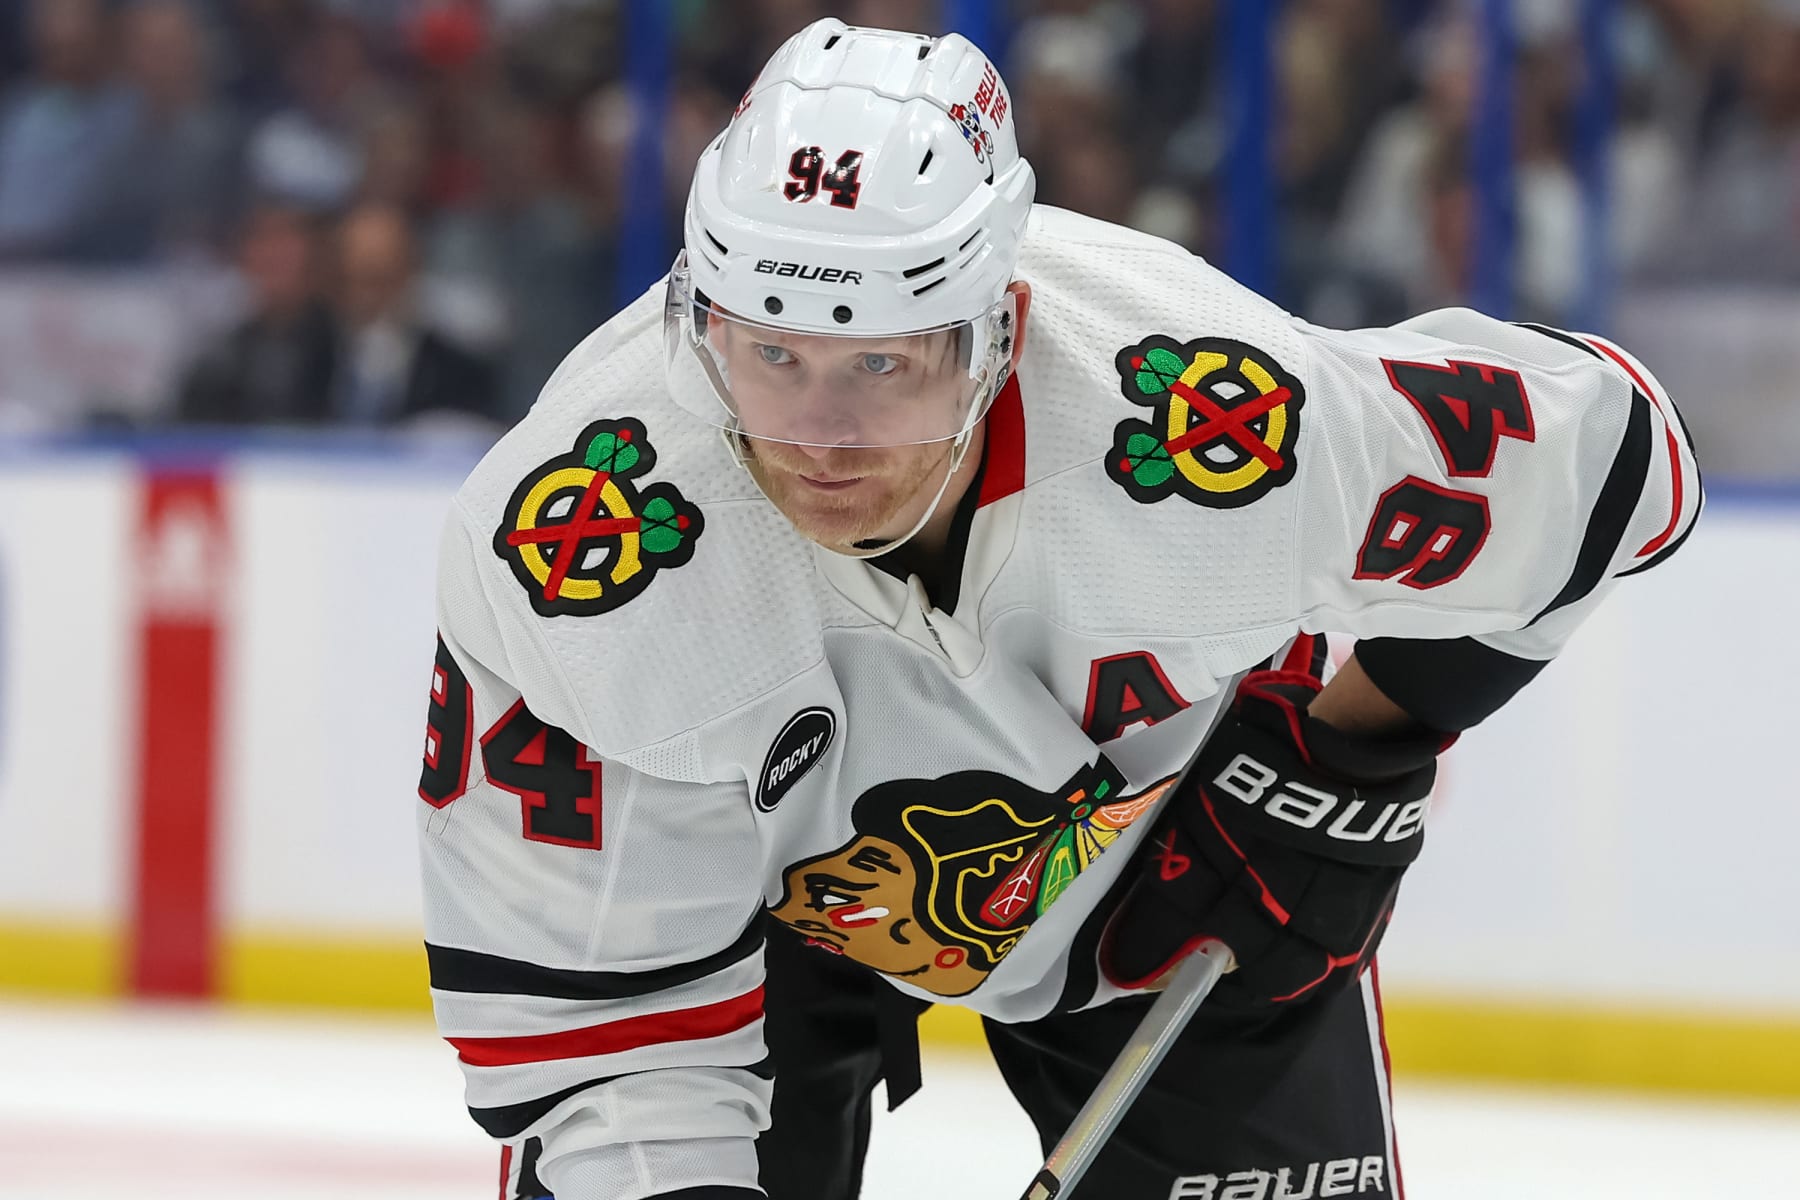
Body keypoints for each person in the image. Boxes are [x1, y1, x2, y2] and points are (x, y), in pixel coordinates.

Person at [415, 20, 1700, 1200]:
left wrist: (1346, 748)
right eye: (771, 355)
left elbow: (1613, 460)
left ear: (1000, 328)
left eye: (883, 363)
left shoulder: (1209, 424)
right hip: (749, 937)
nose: (821, 435)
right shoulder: (581, 548)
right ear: (700, 320)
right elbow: (610, 1050)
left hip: (1173, 881)